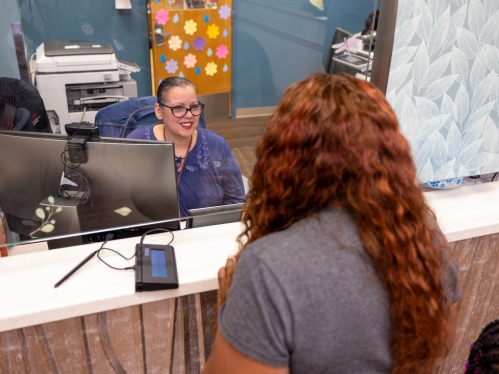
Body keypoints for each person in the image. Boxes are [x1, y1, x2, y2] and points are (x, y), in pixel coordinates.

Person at [202, 73, 461, 374]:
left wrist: (228, 305)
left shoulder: (268, 268)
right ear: (389, 152)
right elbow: (440, 344)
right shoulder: (423, 237)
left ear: (283, 157)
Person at [127, 77, 245, 216]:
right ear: (159, 111)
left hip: (206, 233)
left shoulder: (216, 145)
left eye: (194, 106)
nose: (189, 115)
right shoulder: (137, 143)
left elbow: (236, 200)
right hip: (153, 234)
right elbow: (122, 202)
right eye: (178, 108)